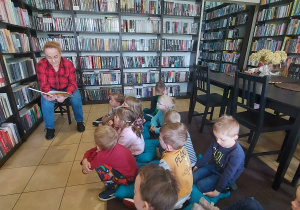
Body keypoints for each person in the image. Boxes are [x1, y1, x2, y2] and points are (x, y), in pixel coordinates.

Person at [36, 41, 85, 140]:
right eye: (49, 57)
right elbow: (43, 84)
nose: (53, 60)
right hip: (51, 88)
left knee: (76, 99)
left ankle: (80, 122)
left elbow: (73, 83)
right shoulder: (41, 64)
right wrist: (49, 94)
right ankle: (50, 128)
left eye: (55, 56)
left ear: (60, 53)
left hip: (67, 88)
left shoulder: (68, 64)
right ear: (45, 55)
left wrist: (66, 95)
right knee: (45, 102)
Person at [81, 125, 139, 201]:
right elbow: (92, 151)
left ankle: (112, 189)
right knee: (103, 163)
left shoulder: (102, 156)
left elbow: (88, 169)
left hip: (127, 179)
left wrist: (85, 161)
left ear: (98, 145)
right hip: (133, 172)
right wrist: (85, 159)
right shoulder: (112, 144)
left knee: (100, 167)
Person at [193, 115, 245, 197]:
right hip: (215, 166)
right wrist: (197, 166)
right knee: (193, 177)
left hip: (225, 174)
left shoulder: (237, 155)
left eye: (222, 139)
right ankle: (211, 178)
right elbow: (207, 155)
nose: (218, 141)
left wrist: (217, 191)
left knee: (201, 185)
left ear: (235, 137)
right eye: (216, 137)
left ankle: (227, 188)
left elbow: (228, 174)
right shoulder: (217, 141)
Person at [159, 122, 193, 208]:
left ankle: (178, 205)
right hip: (188, 187)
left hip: (177, 196)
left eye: (159, 138)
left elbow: (160, 177)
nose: (158, 139)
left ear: (168, 147)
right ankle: (185, 199)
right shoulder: (183, 148)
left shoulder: (166, 161)